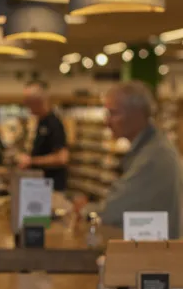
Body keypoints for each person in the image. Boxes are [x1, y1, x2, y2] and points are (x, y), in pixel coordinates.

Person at [77, 81, 183, 238]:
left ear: (137, 114)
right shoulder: (151, 148)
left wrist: (86, 210)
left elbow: (113, 211)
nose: (107, 122)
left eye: (114, 113)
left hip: (154, 256)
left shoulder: (153, 157)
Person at [16, 80, 69, 192]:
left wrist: (31, 161)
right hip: (40, 186)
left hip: (51, 188)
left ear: (38, 101)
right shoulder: (40, 122)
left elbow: (62, 158)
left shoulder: (54, 123)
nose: (26, 105)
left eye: (28, 101)